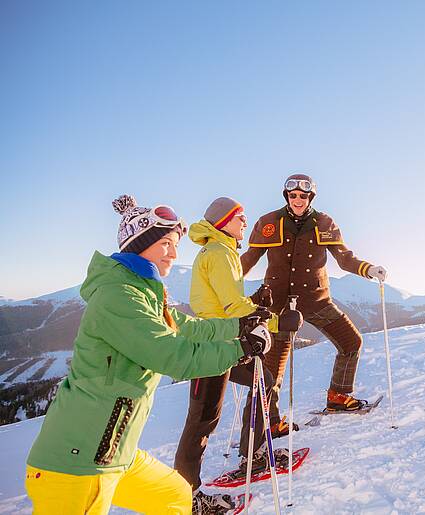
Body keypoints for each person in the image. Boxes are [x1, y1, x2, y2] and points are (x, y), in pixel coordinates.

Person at [24, 195, 286, 515]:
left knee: (174, 495)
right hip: (78, 462)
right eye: (165, 243)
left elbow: (185, 327)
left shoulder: (143, 289)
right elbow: (173, 355)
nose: (174, 254)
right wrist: (241, 348)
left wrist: (239, 326)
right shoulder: (118, 296)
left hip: (116, 453)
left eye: (175, 244)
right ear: (139, 243)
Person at [241, 174, 388, 425]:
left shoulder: (324, 222)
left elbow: (344, 258)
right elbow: (249, 258)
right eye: (293, 195)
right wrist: (225, 282)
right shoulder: (269, 222)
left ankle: (339, 396)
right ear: (287, 196)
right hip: (278, 306)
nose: (297, 199)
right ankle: (271, 421)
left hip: (315, 299)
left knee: (350, 341)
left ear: (311, 197)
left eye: (303, 195)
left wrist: (368, 269)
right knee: (273, 366)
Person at [174, 197, 285, 510]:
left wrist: (256, 301)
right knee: (202, 419)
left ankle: (256, 452)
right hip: (211, 345)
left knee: (262, 379)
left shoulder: (220, 251)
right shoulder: (220, 253)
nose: (245, 223)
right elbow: (231, 307)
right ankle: (187, 497)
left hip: (223, 341)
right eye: (240, 218)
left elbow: (229, 300)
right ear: (223, 222)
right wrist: (275, 321)